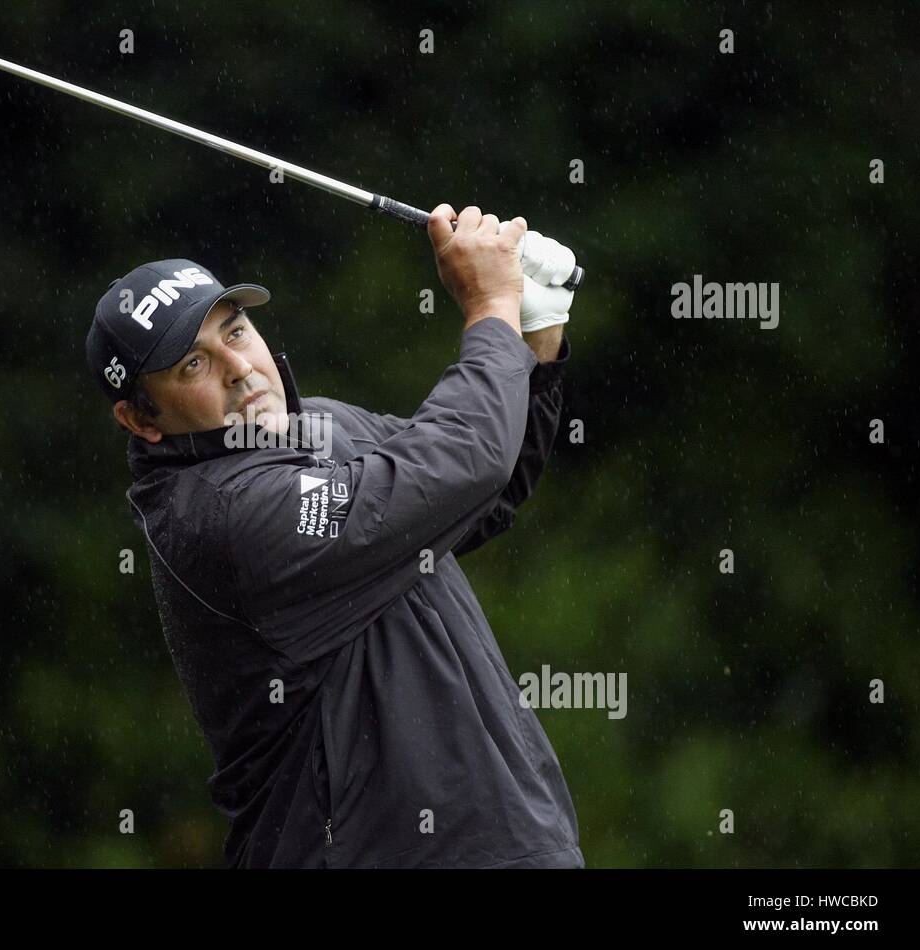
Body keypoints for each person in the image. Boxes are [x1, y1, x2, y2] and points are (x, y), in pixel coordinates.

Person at [84, 203, 582, 867]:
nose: (237, 367)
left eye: (234, 331)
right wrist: (491, 305)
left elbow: (485, 488)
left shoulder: (320, 427)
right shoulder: (224, 518)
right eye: (192, 366)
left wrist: (533, 333)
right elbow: (466, 457)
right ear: (141, 419)